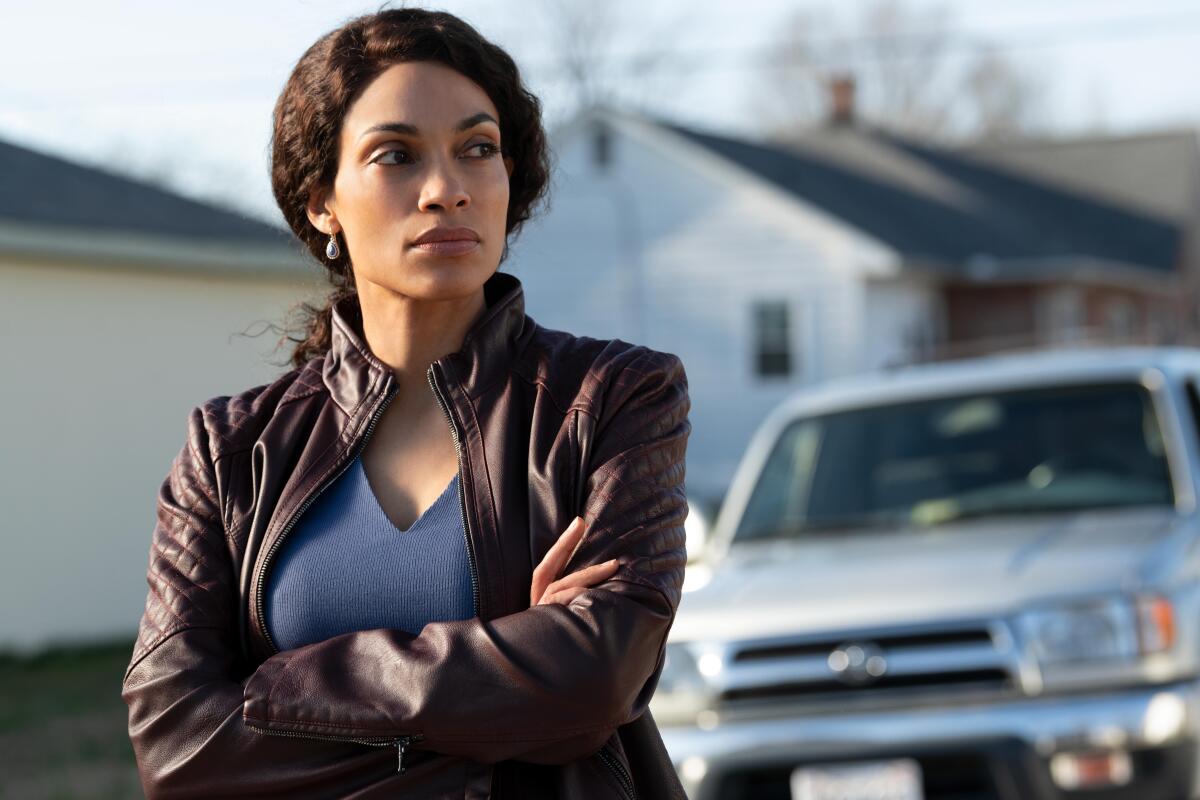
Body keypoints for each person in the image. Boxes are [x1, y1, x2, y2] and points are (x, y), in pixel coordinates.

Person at [120, 7, 691, 799]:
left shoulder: (611, 399)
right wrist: (502, 668)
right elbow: (176, 743)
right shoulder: (229, 450)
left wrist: (279, 687)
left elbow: (596, 678)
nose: (446, 190)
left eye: (478, 149)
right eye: (397, 155)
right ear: (322, 200)